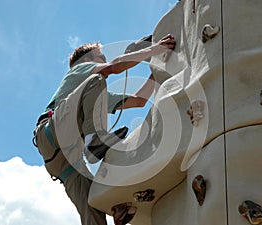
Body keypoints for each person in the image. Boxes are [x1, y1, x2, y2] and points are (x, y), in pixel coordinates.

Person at [33, 34, 175, 225]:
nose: (104, 59)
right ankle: (96, 139)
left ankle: (115, 205)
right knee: (97, 79)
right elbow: (113, 67)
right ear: (86, 60)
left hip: (63, 161)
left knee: (94, 207)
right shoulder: (81, 71)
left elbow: (139, 101)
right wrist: (154, 49)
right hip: (52, 132)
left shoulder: (94, 94)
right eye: (100, 56)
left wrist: (155, 72)